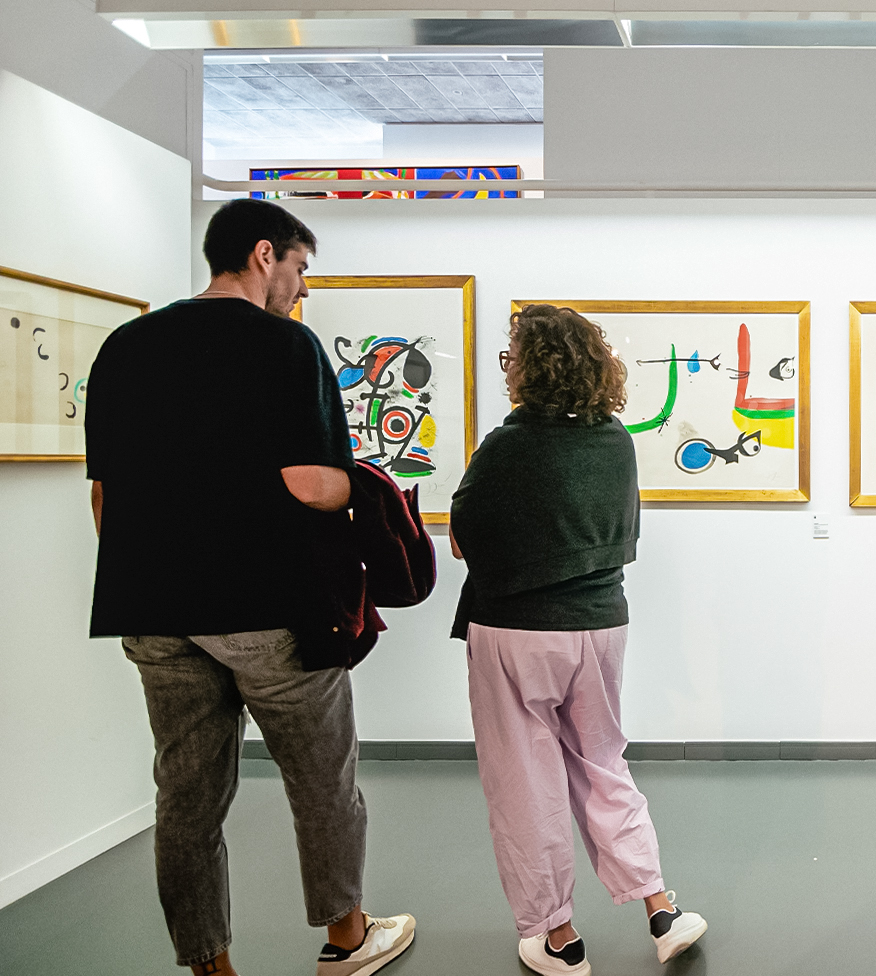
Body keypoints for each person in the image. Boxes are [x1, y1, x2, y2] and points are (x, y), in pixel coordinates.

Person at [86, 199, 415, 976]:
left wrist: (157, 573)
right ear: (263, 254)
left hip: (155, 611)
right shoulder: (286, 347)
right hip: (272, 610)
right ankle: (346, 938)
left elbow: (104, 496)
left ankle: (212, 966)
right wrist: (362, 490)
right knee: (322, 782)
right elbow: (310, 484)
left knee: (187, 801)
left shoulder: (124, 348)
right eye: (300, 269)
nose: (301, 290)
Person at [449, 304, 708, 976]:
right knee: (603, 763)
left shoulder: (508, 446)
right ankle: (661, 911)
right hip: (599, 626)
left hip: (514, 633)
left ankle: (559, 939)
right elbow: (622, 536)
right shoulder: (615, 440)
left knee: (524, 781)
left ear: (524, 368)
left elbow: (464, 538)